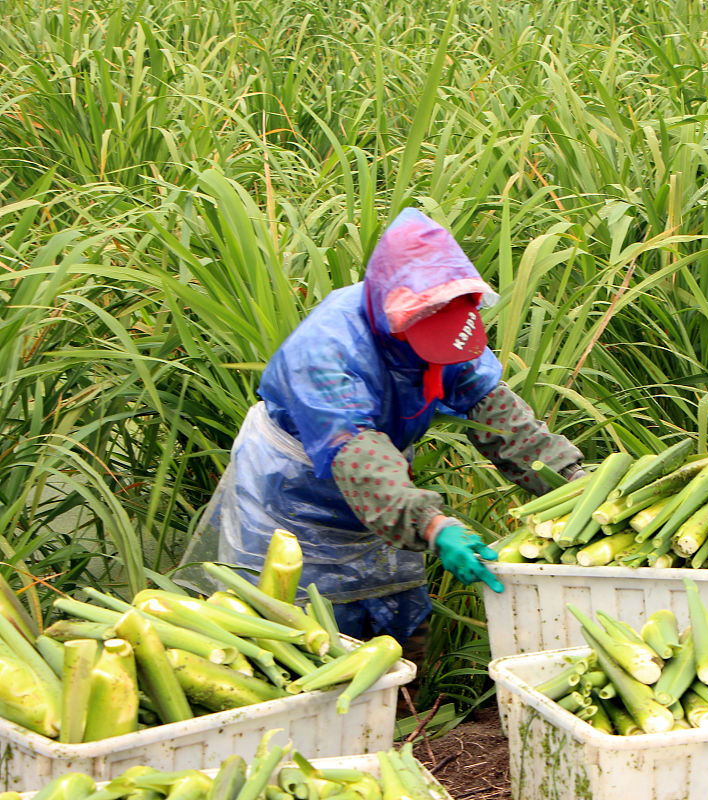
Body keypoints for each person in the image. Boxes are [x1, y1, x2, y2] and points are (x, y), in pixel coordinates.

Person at [185, 208, 583, 644]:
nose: (439, 356)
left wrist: (573, 484)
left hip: (386, 479)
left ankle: (403, 705)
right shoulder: (327, 352)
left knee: (398, 619)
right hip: (296, 491)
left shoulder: (449, 329)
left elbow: (500, 418)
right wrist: (433, 526)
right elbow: (357, 456)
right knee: (298, 630)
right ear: (396, 323)